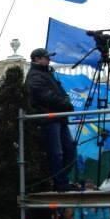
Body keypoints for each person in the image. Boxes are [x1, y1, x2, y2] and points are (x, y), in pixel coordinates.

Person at [26, 47, 76, 191]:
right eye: (45, 57)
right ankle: (59, 183)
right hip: (48, 119)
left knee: (69, 151)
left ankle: (61, 180)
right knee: (57, 153)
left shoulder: (47, 74)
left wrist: (65, 101)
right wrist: (65, 103)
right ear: (37, 59)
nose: (49, 60)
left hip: (58, 118)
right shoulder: (35, 76)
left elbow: (58, 93)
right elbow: (45, 96)